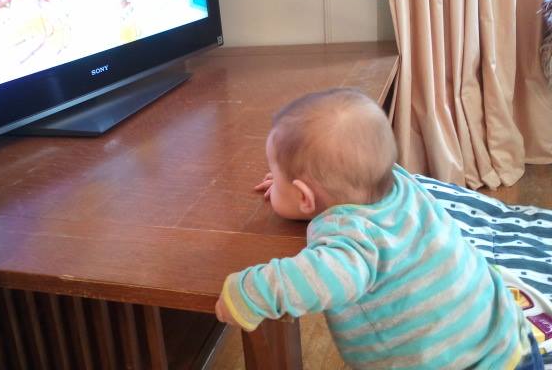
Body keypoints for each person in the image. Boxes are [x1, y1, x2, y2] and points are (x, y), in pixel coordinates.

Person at [215, 87, 541, 369]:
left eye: (276, 175)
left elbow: (310, 280)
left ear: (304, 196)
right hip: (507, 337)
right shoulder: (396, 181)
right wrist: (298, 191)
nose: (272, 180)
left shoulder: (354, 244)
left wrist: (246, 293)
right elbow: (339, 190)